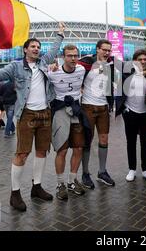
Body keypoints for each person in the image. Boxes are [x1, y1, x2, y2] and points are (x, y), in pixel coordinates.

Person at [0, 22, 66, 212]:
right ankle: (15, 194)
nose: (36, 49)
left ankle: (36, 187)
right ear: (25, 50)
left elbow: (54, 49)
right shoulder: (15, 66)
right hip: (26, 114)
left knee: (41, 151)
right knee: (22, 153)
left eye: (38, 47)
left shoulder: (44, 63)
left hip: (45, 113)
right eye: (33, 46)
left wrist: (59, 34)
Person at [48, 44, 89, 200]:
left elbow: (102, 60)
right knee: (62, 150)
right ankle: (60, 184)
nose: (73, 58)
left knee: (78, 148)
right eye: (69, 55)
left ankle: (72, 181)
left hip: (76, 110)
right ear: (63, 57)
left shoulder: (81, 69)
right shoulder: (53, 72)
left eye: (75, 55)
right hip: (59, 111)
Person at [78, 40, 116, 189]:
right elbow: (70, 69)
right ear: (97, 49)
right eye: (104, 50)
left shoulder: (111, 64)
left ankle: (102, 172)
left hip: (104, 107)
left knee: (104, 140)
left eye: (109, 50)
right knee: (87, 140)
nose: (107, 53)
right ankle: (85, 173)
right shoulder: (86, 62)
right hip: (88, 106)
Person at [115, 49, 146, 183]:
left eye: (145, 59)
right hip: (130, 113)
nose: (143, 61)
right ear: (134, 61)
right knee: (131, 142)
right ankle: (132, 169)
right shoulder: (127, 73)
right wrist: (123, 110)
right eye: (140, 59)